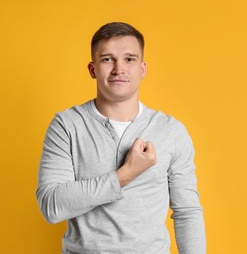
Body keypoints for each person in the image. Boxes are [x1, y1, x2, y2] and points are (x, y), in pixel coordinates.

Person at [36, 22, 206, 254]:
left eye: (129, 59)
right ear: (92, 69)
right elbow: (51, 205)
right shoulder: (67, 126)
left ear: (142, 68)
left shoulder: (171, 131)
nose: (119, 69)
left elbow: (187, 212)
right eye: (107, 59)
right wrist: (125, 174)